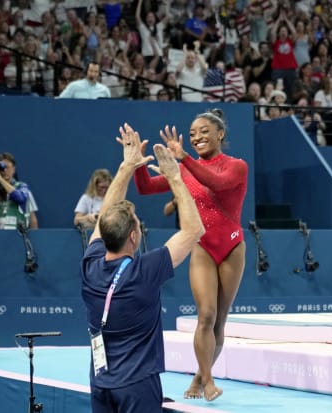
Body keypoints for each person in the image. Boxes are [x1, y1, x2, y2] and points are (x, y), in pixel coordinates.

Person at [81, 123, 204, 413]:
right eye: (137, 223)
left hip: (100, 383)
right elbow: (193, 230)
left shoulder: (90, 265)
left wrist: (126, 167)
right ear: (134, 237)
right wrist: (175, 177)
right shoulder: (144, 270)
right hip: (137, 386)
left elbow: (102, 221)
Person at [133, 109, 248, 401]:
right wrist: (136, 164)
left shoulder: (237, 166)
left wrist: (183, 159)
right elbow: (146, 188)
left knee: (220, 320)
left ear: (220, 134)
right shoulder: (186, 168)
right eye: (193, 134)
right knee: (205, 315)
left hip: (232, 246)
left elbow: (217, 183)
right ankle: (208, 381)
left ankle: (199, 376)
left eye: (204, 132)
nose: (197, 138)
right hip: (202, 246)